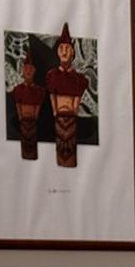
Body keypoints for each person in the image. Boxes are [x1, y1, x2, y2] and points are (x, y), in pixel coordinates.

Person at [44, 23, 89, 168]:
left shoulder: (78, 79)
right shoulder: (52, 76)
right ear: (57, 51)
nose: (64, 52)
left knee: (70, 146)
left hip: (71, 117)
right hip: (59, 116)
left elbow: (76, 99)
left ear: (73, 52)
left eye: (68, 48)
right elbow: (52, 96)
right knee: (61, 145)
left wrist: (73, 110)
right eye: (61, 48)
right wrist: (55, 111)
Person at [11, 53, 44, 161]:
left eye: (30, 69)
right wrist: (21, 117)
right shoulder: (18, 90)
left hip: (32, 121)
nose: (28, 71)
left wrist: (34, 117)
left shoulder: (39, 91)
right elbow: (18, 106)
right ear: (22, 71)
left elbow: (37, 107)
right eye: (26, 69)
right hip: (24, 122)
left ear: (34, 71)